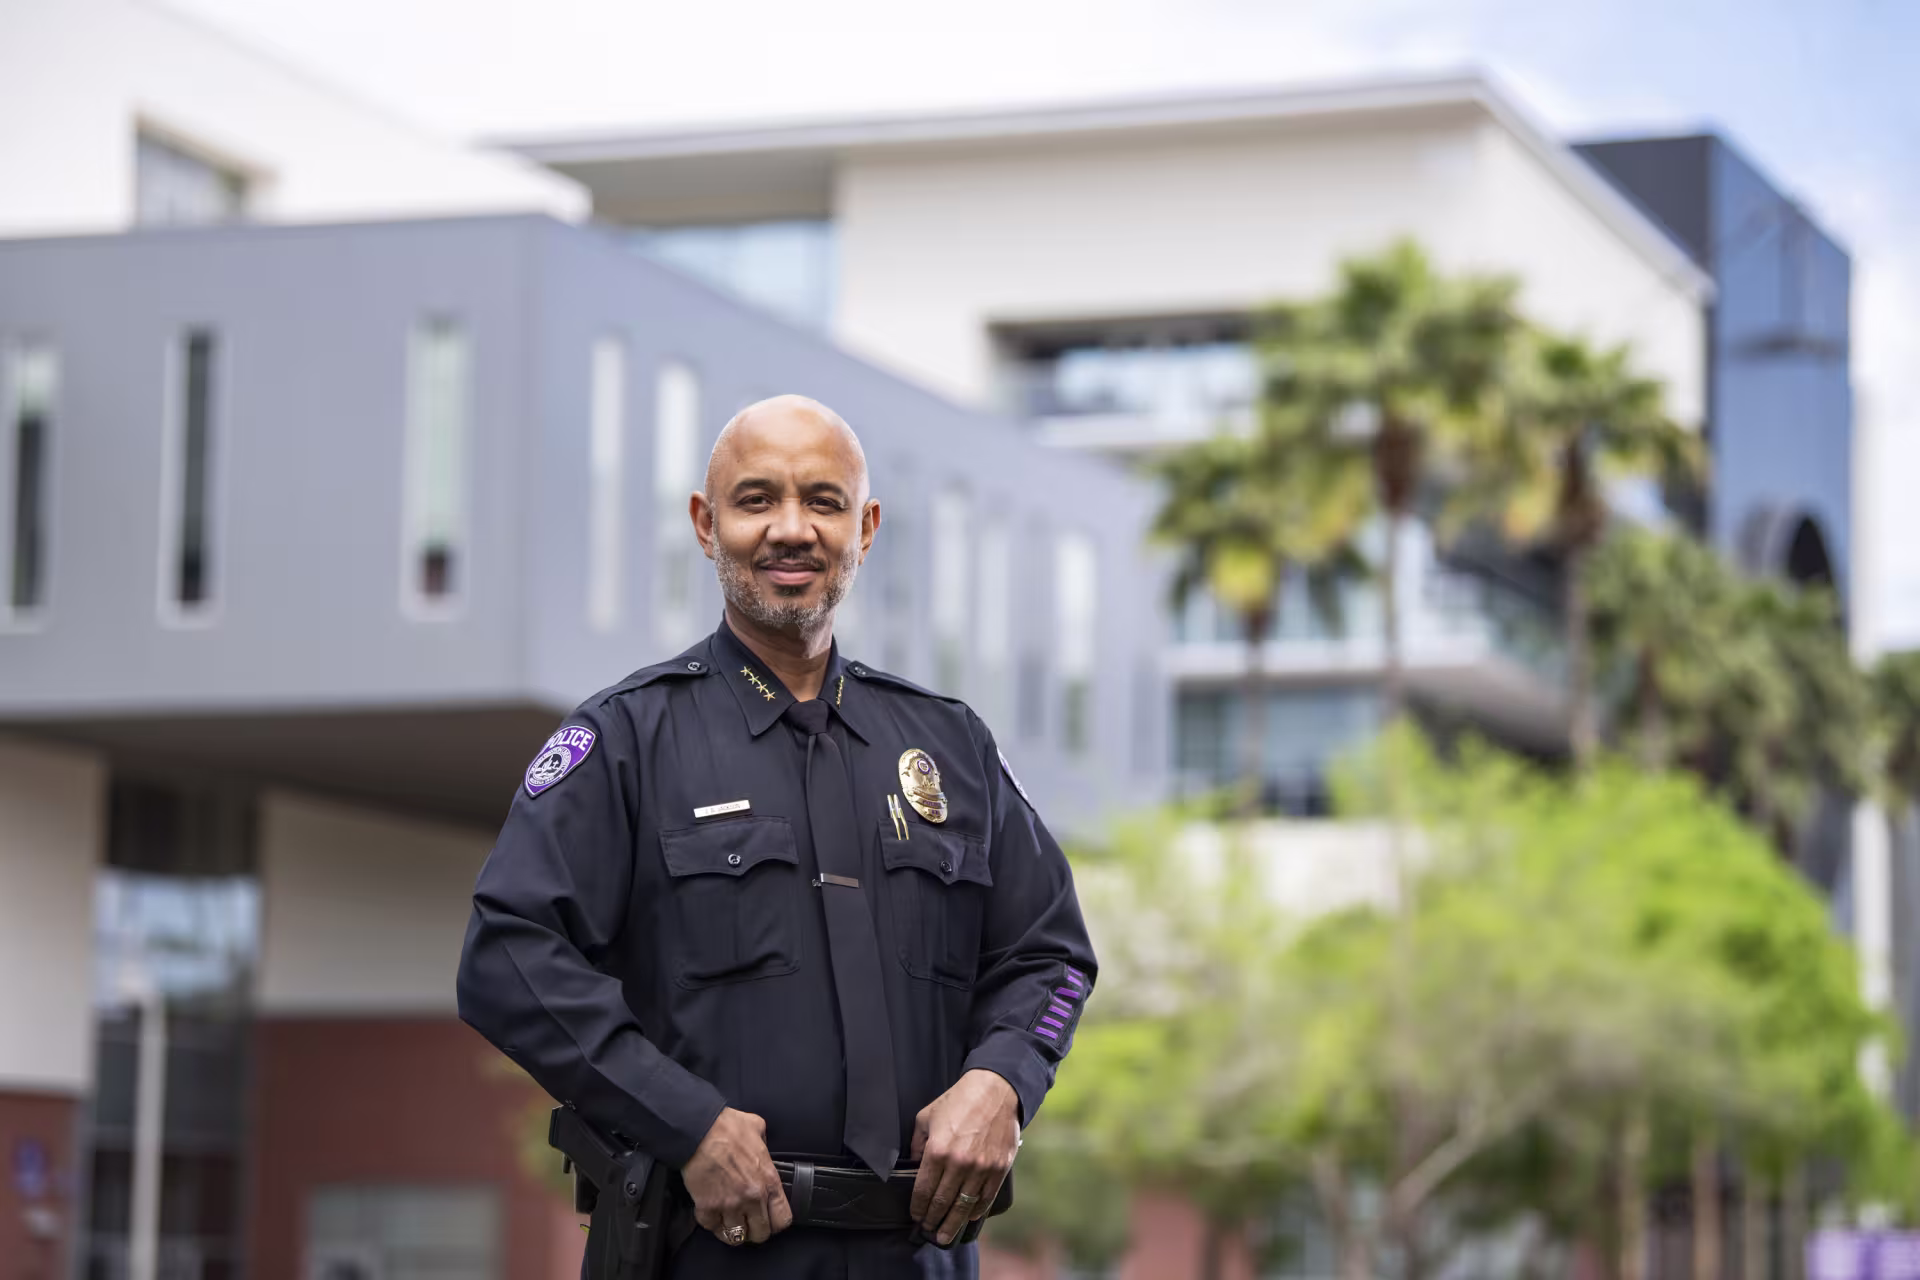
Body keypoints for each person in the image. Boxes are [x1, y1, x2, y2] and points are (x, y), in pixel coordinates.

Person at [456, 395, 1097, 1278]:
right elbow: (506, 957)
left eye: (823, 502)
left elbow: (1051, 956)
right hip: (715, 1252)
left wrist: (1004, 1084)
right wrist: (684, 1121)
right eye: (756, 500)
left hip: (920, 1256)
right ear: (704, 523)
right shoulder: (628, 740)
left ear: (865, 529)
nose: (791, 530)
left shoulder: (950, 746)